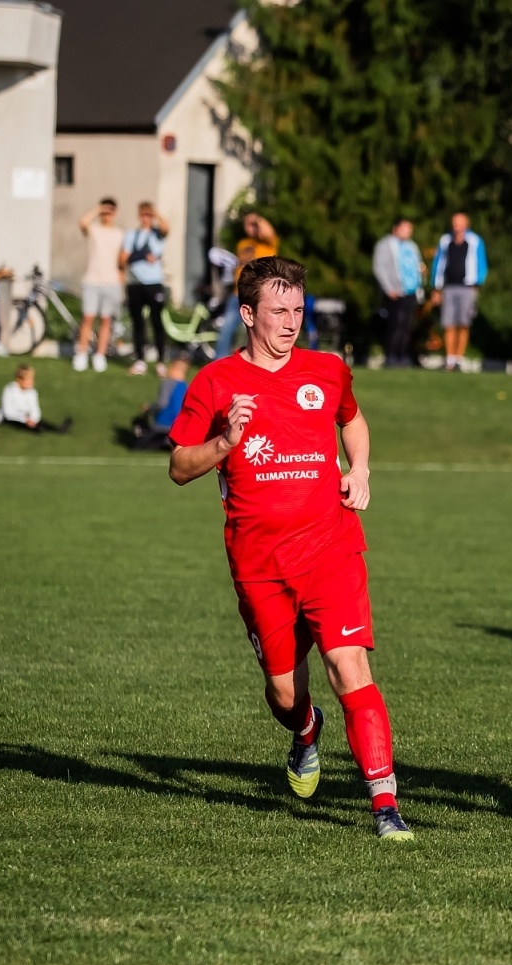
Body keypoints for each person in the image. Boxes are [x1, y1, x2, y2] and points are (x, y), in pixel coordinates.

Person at [167, 256, 412, 841]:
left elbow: (352, 419)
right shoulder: (216, 382)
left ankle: (384, 804)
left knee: (349, 666)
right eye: (279, 310)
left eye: (298, 309)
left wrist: (361, 468)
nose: (291, 321)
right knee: (284, 691)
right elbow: (178, 466)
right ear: (248, 314)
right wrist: (226, 441)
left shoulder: (327, 370)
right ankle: (305, 731)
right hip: (258, 562)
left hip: (331, 546)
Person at [216, 212, 279, 359]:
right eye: (248, 224)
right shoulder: (243, 244)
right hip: (237, 293)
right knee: (226, 328)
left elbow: (269, 232)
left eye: (254, 225)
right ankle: (220, 361)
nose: (251, 228)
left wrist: (257, 220)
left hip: (259, 294)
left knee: (258, 330)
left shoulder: (268, 242)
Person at [120, 201, 173, 376]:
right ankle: (140, 360)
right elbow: (124, 258)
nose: (146, 218)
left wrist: (156, 212)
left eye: (148, 215)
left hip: (153, 283)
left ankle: (160, 361)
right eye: (143, 215)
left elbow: (166, 227)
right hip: (135, 283)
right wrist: (140, 256)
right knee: (138, 323)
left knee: (157, 322)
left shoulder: (157, 234)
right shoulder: (132, 235)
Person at [431, 212, 487, 372]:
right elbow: (438, 263)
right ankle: (449, 359)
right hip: (448, 286)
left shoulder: (475, 241)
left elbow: (481, 263)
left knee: (463, 323)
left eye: (459, 223)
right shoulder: (445, 240)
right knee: (448, 323)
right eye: (454, 223)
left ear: (466, 224)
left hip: (467, 287)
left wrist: (478, 283)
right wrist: (436, 286)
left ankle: (459, 358)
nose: (456, 226)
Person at [77, 198, 125, 373]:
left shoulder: (119, 233)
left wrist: (122, 276)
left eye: (110, 211)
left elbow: (122, 258)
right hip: (92, 280)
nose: (107, 215)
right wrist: (98, 209)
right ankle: (81, 353)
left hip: (111, 281)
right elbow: (82, 222)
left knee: (106, 320)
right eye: (105, 211)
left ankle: (100, 355)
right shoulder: (94, 229)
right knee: (88, 318)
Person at [373, 218, 424, 366]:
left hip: (411, 291)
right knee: (395, 325)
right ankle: (391, 356)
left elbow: (417, 267)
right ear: (396, 228)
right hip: (395, 292)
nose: (408, 232)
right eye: (405, 228)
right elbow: (379, 268)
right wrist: (388, 288)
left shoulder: (412, 246)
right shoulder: (385, 245)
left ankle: (403, 355)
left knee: (406, 326)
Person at [0, 363, 71, 432]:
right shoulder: (9, 390)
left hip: (26, 417)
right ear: (19, 380)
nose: (32, 382)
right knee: (22, 425)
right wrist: (24, 419)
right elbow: (8, 412)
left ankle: (57, 429)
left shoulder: (32, 392)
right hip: (10, 418)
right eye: (29, 380)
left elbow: (35, 409)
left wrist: (33, 419)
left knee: (39, 422)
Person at [131, 356, 190, 449]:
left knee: (138, 445)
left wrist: (149, 408)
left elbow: (162, 404)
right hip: (178, 425)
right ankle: (169, 441)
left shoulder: (168, 383)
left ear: (174, 368)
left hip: (163, 423)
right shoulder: (186, 386)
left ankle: (165, 442)